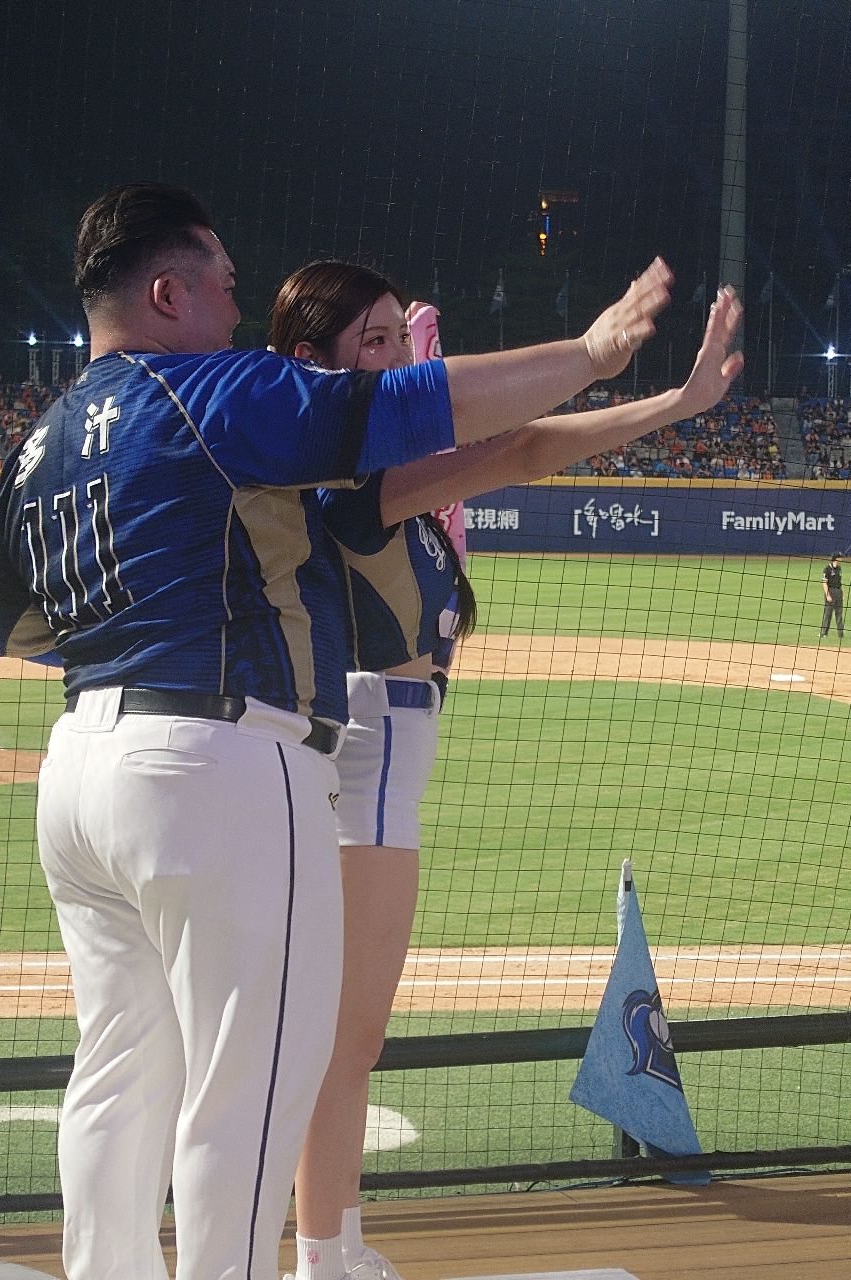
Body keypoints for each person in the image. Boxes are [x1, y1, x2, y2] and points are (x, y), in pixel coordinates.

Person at [0, 182, 675, 1280]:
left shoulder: (40, 440)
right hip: (219, 761)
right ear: (167, 294)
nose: (236, 306)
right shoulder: (212, 389)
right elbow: (410, 409)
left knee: (118, 1074)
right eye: (221, 283)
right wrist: (589, 352)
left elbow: (9, 626)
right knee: (248, 1089)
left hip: (79, 772)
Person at [268, 261, 744, 1280]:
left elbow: (519, 446)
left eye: (398, 337)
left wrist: (675, 400)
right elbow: (524, 444)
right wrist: (638, 379)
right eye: (374, 342)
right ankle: (322, 1254)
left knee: (347, 1036)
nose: (397, 360)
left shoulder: (374, 469)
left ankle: (335, 1243)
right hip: (367, 758)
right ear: (315, 362)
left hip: (372, 756)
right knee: (344, 1038)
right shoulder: (354, 476)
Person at [820, 552, 844, 638]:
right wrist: (827, 595)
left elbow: (839, 582)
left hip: (838, 592)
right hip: (830, 591)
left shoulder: (839, 568)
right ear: (836, 558)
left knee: (839, 614)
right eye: (840, 557)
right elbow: (824, 583)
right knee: (828, 614)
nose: (841, 559)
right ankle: (824, 633)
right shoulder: (827, 569)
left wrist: (842, 593)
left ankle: (840, 634)